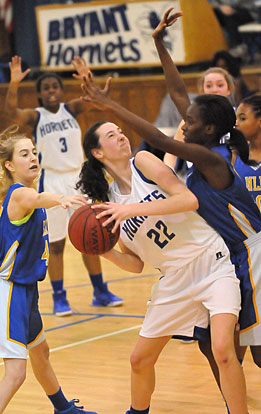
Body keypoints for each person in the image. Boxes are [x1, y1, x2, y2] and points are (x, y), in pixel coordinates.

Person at [77, 8, 261, 411]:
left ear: (206, 129)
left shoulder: (206, 157)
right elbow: (180, 94)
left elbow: (165, 146)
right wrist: (160, 44)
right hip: (192, 269)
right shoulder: (196, 145)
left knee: (242, 350)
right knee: (209, 352)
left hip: (240, 254)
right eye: (110, 135)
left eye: (189, 119)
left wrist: (108, 105)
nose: (183, 119)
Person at [75, 119, 247, 414]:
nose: (121, 137)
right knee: (139, 360)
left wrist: (129, 210)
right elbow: (136, 263)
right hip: (174, 280)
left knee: (223, 350)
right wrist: (104, 252)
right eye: (111, 136)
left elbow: (188, 199)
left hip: (212, 262)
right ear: (97, 153)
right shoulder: (109, 203)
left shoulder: (143, 162)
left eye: (120, 132)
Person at [4, 55, 123, 316]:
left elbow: (95, 97)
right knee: (56, 244)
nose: (51, 92)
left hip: (79, 178)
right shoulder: (37, 117)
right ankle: (59, 296)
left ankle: (100, 291)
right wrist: (13, 83)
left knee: (91, 234)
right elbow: (11, 113)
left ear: (60, 89)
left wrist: (86, 75)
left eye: (54, 87)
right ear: (39, 94)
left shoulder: (71, 108)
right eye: (45, 88)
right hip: (53, 180)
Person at [0, 126, 96, 414]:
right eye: (24, 154)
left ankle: (63, 408)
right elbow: (37, 200)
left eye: (34, 152)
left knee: (40, 352)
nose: (33, 157)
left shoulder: (24, 193)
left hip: (27, 290)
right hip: (9, 290)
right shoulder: (20, 195)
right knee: (16, 373)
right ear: (9, 165)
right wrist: (61, 199)